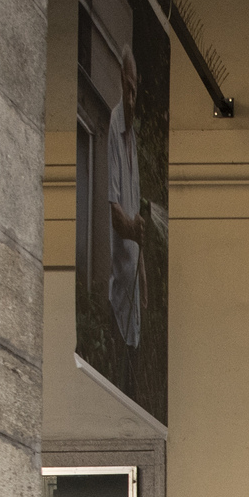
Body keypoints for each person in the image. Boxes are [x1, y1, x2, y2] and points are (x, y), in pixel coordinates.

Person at [106, 48, 145, 346]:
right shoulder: (113, 127)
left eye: (135, 91)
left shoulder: (133, 139)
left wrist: (143, 274)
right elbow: (116, 212)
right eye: (127, 89)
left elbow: (136, 216)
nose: (131, 99)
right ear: (121, 81)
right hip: (120, 296)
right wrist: (132, 230)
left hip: (134, 291)